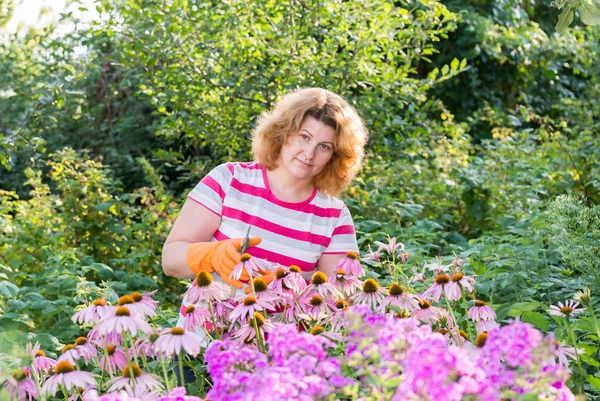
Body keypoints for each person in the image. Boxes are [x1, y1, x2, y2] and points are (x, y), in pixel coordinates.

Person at [161, 87, 368, 344]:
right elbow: (170, 260)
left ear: (336, 157)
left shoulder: (334, 217)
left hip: (278, 365)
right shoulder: (229, 180)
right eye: (304, 136)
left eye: (324, 146)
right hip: (201, 348)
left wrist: (290, 289)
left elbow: (340, 302)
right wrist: (211, 255)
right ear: (283, 132)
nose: (310, 153)